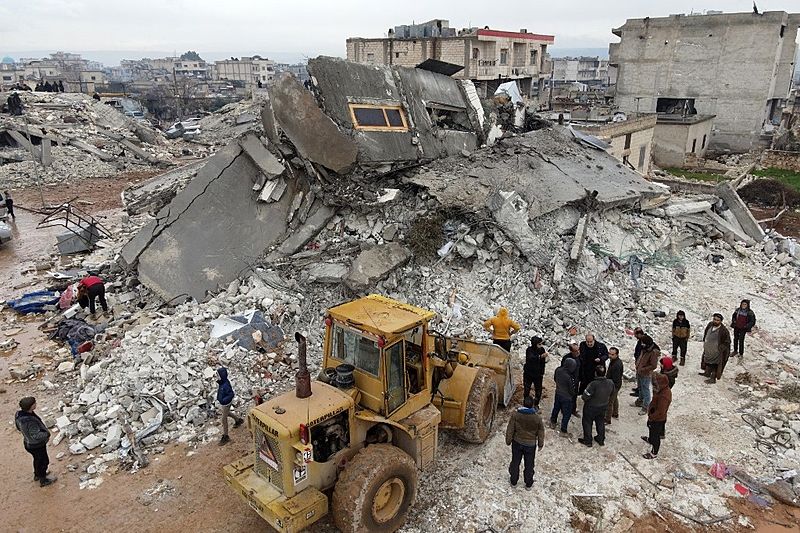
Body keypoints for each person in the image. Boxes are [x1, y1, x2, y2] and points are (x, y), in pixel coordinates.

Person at [15, 397, 57, 487]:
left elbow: (18, 427)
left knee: (37, 460)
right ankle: (43, 480)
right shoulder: (30, 421)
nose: (36, 404)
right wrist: (46, 434)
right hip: (36, 445)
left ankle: (37, 474)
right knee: (43, 461)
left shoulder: (18, 414)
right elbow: (36, 435)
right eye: (35, 403)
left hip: (28, 442)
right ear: (31, 406)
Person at [505, 395, 544, 489]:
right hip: (530, 445)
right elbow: (541, 431)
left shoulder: (516, 415)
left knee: (515, 462)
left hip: (517, 442)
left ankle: (514, 481)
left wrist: (508, 440)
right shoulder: (537, 418)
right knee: (529, 464)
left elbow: (510, 429)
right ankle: (528, 483)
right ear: (532, 405)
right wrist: (540, 444)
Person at [578, 365, 614, 447]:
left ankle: (588, 440)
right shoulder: (610, 382)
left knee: (587, 422)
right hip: (603, 406)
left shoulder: (593, 384)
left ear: (595, 373)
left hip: (591, 407)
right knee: (600, 422)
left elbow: (585, 396)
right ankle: (601, 439)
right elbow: (612, 393)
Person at [641, 373, 672, 459]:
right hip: (653, 415)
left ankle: (654, 452)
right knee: (651, 429)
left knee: (655, 435)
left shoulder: (664, 396)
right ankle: (650, 439)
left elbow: (661, 411)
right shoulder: (660, 390)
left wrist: (652, 417)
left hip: (658, 419)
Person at [700, 313, 731, 384]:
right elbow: (706, 333)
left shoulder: (723, 330)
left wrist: (720, 348)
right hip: (708, 349)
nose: (715, 321)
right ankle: (707, 373)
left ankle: (713, 378)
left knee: (715, 364)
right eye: (714, 319)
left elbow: (727, 341)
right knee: (707, 360)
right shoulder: (710, 325)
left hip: (716, 351)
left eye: (717, 320)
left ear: (721, 321)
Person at [549, 357, 576, 437]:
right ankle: (563, 430)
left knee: (556, 408)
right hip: (566, 397)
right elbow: (571, 389)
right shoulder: (569, 377)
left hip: (558, 393)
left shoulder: (558, 370)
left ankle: (553, 422)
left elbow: (555, 379)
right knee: (567, 414)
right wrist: (572, 395)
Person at [632, 335, 659, 414]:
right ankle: (640, 401)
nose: (641, 344)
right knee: (640, 388)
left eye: (643, 343)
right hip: (639, 372)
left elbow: (654, 365)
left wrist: (644, 369)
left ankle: (645, 407)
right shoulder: (644, 349)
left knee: (646, 390)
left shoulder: (653, 353)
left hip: (645, 374)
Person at [216, 367, 243, 445]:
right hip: (224, 403)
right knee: (227, 413)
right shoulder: (222, 383)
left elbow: (231, 394)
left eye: (218, 375)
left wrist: (223, 400)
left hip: (226, 403)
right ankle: (238, 420)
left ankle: (226, 435)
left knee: (224, 419)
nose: (216, 377)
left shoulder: (225, 385)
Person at [523, 336, 548, 407]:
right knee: (527, 389)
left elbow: (543, 363)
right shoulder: (529, 350)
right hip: (529, 373)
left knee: (538, 390)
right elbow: (530, 358)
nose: (541, 346)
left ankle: (536, 403)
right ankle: (526, 404)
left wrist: (542, 373)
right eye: (539, 344)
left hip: (538, 374)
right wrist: (540, 357)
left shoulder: (542, 350)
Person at [605, 347, 623, 425]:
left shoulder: (616, 365)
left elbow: (615, 378)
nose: (610, 356)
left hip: (614, 385)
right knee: (614, 399)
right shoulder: (615, 361)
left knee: (610, 402)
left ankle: (607, 419)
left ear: (616, 355)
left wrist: (610, 386)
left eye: (612, 354)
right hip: (616, 384)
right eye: (609, 354)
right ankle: (615, 413)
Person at [563, 343, 581, 418]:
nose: (577, 352)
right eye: (575, 351)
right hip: (568, 381)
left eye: (578, 350)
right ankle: (564, 410)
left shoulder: (580, 357)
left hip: (576, 381)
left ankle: (573, 410)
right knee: (565, 396)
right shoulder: (566, 358)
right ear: (571, 351)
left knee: (574, 396)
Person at [629, 328, 645, 396]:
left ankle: (640, 392)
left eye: (635, 334)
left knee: (641, 377)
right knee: (638, 376)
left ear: (639, 334)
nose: (635, 336)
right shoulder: (640, 340)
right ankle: (639, 388)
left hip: (642, 362)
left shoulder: (645, 340)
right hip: (638, 360)